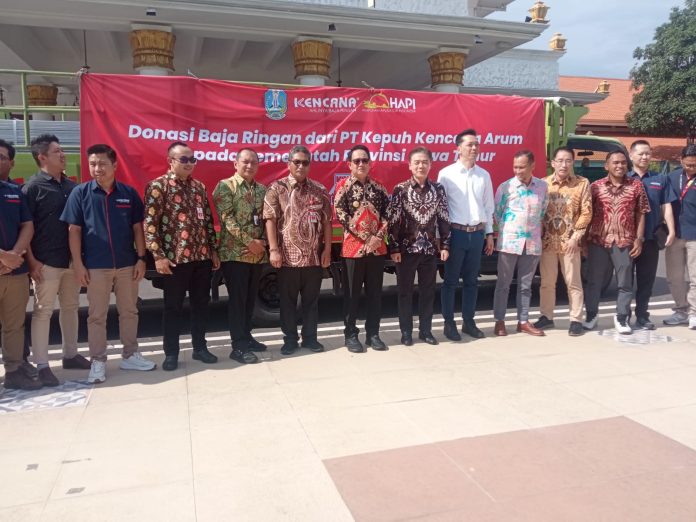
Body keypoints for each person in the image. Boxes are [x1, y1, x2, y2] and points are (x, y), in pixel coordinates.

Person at [60, 144, 155, 384]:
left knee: (129, 311)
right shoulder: (80, 193)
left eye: (102, 163)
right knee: (96, 316)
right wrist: (78, 264)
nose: (97, 168)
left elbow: (138, 228)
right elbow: (74, 230)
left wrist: (141, 258)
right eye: (93, 164)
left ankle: (130, 355)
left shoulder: (128, 193)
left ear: (114, 165)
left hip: (127, 264)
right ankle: (98, 361)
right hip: (95, 266)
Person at [144, 141, 220, 371]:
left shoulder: (199, 187)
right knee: (173, 308)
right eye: (183, 159)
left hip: (201, 257)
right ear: (170, 161)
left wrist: (213, 249)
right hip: (175, 260)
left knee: (201, 305)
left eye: (192, 159)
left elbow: (207, 220)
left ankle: (200, 348)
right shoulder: (158, 186)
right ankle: (171, 353)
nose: (189, 164)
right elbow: (150, 224)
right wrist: (158, 256)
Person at [22, 134, 89, 387]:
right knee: (43, 312)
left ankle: (70, 355)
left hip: (71, 261)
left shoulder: (72, 187)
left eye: (62, 150)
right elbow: (25, 227)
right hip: (45, 262)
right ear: (42, 157)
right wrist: (31, 261)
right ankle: (42, 365)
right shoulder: (32, 188)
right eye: (57, 151)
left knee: (71, 307)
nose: (63, 155)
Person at [264, 145, 332, 355]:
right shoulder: (277, 188)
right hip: (287, 258)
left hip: (313, 257)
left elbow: (327, 222)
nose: (301, 166)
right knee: (288, 302)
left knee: (311, 301)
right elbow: (270, 219)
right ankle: (290, 339)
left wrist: (327, 250)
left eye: (305, 162)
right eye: (297, 162)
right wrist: (273, 250)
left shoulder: (319, 190)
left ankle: (310, 338)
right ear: (289, 164)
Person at [387, 147, 450, 346]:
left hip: (430, 249)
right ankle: (406, 332)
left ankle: (426, 331)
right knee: (405, 292)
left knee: (428, 292)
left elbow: (444, 218)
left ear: (431, 164)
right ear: (410, 165)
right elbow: (393, 221)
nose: (421, 166)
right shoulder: (400, 189)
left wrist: (445, 245)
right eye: (417, 162)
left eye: (424, 162)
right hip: (406, 250)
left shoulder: (438, 189)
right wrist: (394, 248)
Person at [584, 150, 650, 334]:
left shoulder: (636, 186)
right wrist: (583, 241)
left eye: (623, 162)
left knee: (625, 283)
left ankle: (621, 317)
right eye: (615, 163)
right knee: (594, 281)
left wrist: (639, 239)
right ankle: (591, 315)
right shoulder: (595, 187)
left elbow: (641, 212)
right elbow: (587, 215)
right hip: (598, 240)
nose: (620, 166)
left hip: (624, 241)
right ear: (606, 166)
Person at [437, 129, 495, 341]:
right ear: (458, 148)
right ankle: (449, 323)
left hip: (477, 234)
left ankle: (469, 322)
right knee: (450, 281)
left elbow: (488, 207)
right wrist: (442, 239)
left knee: (472, 281)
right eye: (470, 144)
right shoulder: (446, 174)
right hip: (456, 234)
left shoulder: (484, 175)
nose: (474, 148)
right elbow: (441, 208)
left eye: (476, 144)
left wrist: (489, 234)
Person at [213, 148, 268, 364]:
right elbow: (227, 219)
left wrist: (263, 242)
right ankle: (238, 346)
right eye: (245, 162)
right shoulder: (225, 186)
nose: (249, 166)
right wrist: (250, 242)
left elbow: (267, 219)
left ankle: (247, 336)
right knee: (237, 301)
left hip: (257, 255)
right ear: (235, 164)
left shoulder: (262, 190)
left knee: (250, 300)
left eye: (254, 162)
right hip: (235, 254)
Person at [334, 145, 390, 353]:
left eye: (364, 160)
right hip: (353, 249)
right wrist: (367, 237)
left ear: (370, 163)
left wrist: (378, 237)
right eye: (356, 161)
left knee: (375, 294)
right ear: (349, 164)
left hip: (376, 249)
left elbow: (388, 214)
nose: (361, 164)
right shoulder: (343, 187)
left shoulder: (379, 188)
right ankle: (350, 334)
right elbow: (341, 214)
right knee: (351, 295)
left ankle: (373, 334)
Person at [534, 147, 592, 336]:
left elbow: (586, 213)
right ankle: (546, 316)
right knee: (547, 282)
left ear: (573, 162)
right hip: (548, 242)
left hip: (570, 242)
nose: (563, 165)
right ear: (553, 163)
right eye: (560, 160)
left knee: (573, 282)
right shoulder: (543, 184)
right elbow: (538, 211)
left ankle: (576, 319)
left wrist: (576, 238)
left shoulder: (582, 183)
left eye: (568, 161)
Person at [492, 150, 548, 336]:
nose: (517, 171)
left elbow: (542, 211)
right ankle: (499, 321)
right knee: (503, 284)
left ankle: (523, 321)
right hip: (510, 243)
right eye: (515, 167)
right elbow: (497, 213)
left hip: (532, 243)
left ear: (532, 166)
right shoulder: (506, 187)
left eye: (522, 167)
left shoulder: (542, 187)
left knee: (526, 286)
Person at [0, 148, 39, 390]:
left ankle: (14, 371)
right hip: (7, 263)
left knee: (14, 326)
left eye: (1, 157)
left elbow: (27, 225)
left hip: (15, 272)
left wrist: (14, 255)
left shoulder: (14, 191)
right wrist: (3, 256)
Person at [627, 140, 676, 329]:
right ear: (631, 155)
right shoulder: (624, 178)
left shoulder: (660, 179)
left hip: (651, 238)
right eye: (640, 153)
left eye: (648, 153)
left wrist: (671, 230)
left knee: (646, 280)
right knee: (625, 281)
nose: (645, 157)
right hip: (627, 239)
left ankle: (642, 316)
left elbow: (666, 205)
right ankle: (623, 315)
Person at [665, 144, 696, 327]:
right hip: (675, 234)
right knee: (674, 277)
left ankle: (694, 313)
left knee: (695, 277)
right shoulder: (672, 177)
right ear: (681, 160)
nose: (691, 168)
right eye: (688, 164)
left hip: (695, 236)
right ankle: (680, 310)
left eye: (695, 165)